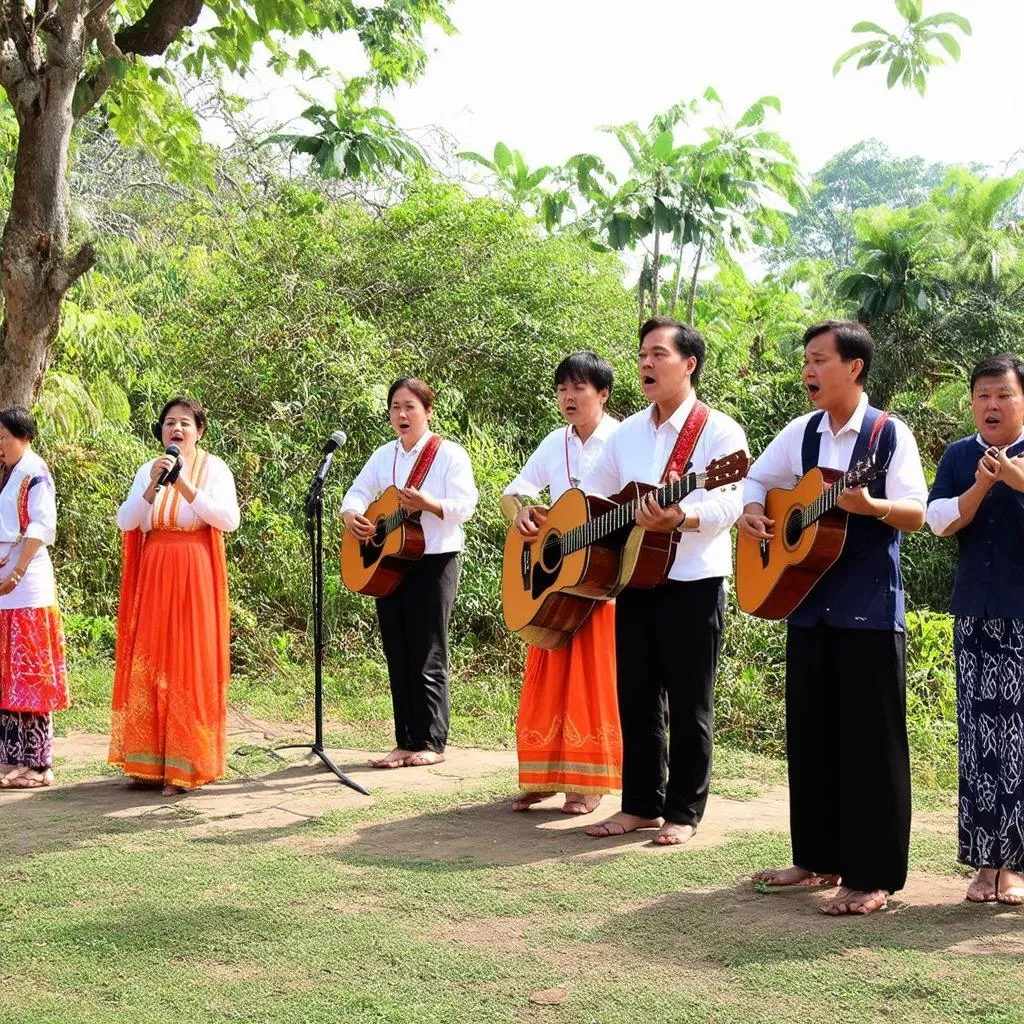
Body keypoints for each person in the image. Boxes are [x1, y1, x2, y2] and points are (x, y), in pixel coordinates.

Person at [739, 320, 927, 916]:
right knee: (813, 738)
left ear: (855, 367)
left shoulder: (888, 434)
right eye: (806, 361)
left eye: (820, 360)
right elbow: (757, 478)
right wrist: (751, 511)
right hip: (808, 609)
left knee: (872, 746)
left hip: (870, 613)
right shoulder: (803, 432)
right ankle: (816, 858)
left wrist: (871, 505)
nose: (809, 372)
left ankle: (871, 877)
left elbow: (917, 512)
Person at [580, 316, 748, 845]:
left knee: (689, 700)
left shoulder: (718, 431)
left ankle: (685, 811)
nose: (646, 363)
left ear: (689, 363)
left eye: (658, 354)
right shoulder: (626, 432)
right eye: (642, 355)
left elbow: (733, 499)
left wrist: (682, 517)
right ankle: (639, 805)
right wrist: (560, 523)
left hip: (694, 582)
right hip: (634, 580)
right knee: (636, 695)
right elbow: (593, 496)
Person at [502, 352, 623, 815]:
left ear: (603, 394)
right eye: (562, 390)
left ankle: (586, 783)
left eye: (579, 389)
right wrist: (524, 515)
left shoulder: (623, 439)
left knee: (592, 680)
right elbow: (512, 493)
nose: (568, 398)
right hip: (553, 583)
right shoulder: (555, 442)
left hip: (600, 576)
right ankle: (541, 777)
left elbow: (638, 500)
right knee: (546, 677)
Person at [926, 353, 1024, 907]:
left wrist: (1014, 476)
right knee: (980, 740)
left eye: (1004, 395)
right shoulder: (962, 455)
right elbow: (940, 520)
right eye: (983, 395)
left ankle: (1016, 865)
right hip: (978, 615)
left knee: (1020, 741)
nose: (992, 405)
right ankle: (985, 863)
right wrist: (983, 486)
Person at [341, 378, 478, 769]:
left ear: (428, 411)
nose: (401, 414)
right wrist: (353, 516)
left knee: (428, 649)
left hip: (434, 558)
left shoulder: (449, 454)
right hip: (389, 563)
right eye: (395, 407)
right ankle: (404, 740)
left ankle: (432, 741)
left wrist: (429, 503)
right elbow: (356, 492)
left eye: (410, 407)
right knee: (396, 649)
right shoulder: (384, 455)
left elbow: (466, 504)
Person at [109, 396, 240, 796]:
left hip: (193, 571)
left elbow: (228, 520)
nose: (176, 429)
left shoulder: (214, 468)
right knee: (150, 660)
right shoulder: (147, 469)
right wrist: (152, 483)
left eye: (185, 423)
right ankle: (147, 761)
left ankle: (187, 766)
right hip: (154, 570)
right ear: (161, 431)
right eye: (169, 423)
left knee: (187, 662)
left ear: (199, 431)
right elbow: (126, 520)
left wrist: (183, 482)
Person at [0, 406, 69, 790]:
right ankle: (11, 758)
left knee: (29, 669)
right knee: (7, 671)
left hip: (25, 584)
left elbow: (41, 526)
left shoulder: (34, 471)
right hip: (5, 584)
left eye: (3, 437)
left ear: (22, 435)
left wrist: (17, 571)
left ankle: (38, 762)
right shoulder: (9, 473)